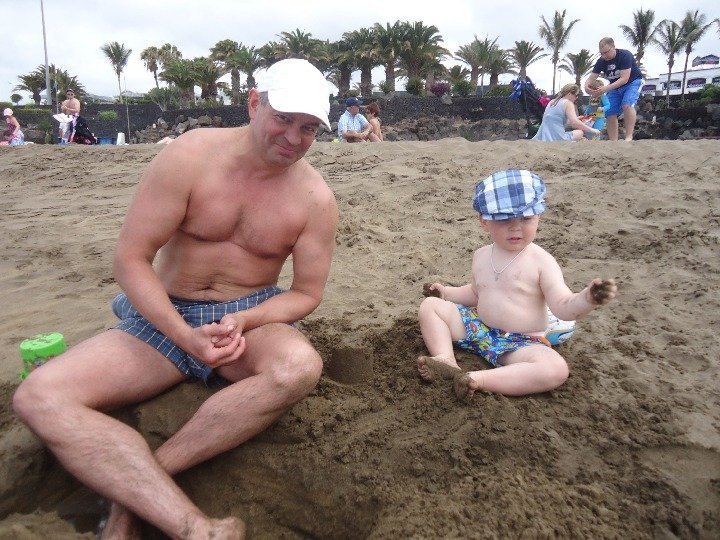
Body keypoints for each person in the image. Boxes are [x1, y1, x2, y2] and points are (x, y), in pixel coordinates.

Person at [13, 58, 338, 539]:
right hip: (163, 316)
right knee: (40, 396)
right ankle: (194, 527)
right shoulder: (191, 156)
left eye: (308, 128)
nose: (293, 137)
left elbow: (306, 293)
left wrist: (245, 321)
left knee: (298, 368)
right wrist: (184, 335)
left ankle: (141, 485)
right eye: (284, 118)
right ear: (254, 103)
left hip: (244, 320)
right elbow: (131, 260)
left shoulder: (315, 200)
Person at [415, 169, 617, 400]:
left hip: (521, 342)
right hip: (479, 328)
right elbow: (476, 292)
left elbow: (563, 306)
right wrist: (447, 293)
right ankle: (446, 361)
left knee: (555, 369)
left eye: (526, 218)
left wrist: (588, 299)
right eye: (504, 220)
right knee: (430, 306)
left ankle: (477, 379)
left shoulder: (541, 262)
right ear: (484, 222)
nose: (516, 227)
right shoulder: (482, 255)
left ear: (538, 217)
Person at [584, 37, 643, 141]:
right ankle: (613, 141)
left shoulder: (625, 55)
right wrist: (586, 87)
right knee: (610, 111)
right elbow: (591, 78)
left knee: (627, 104)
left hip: (632, 82)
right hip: (614, 86)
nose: (604, 56)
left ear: (613, 47)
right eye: (601, 53)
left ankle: (629, 137)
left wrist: (605, 89)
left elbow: (624, 78)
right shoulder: (601, 61)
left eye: (606, 52)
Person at [532, 84, 601, 141]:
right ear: (569, 94)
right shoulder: (568, 103)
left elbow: (556, 121)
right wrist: (592, 130)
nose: (577, 97)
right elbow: (574, 123)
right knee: (580, 133)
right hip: (557, 137)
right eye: (576, 95)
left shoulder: (552, 102)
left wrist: (577, 118)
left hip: (543, 136)